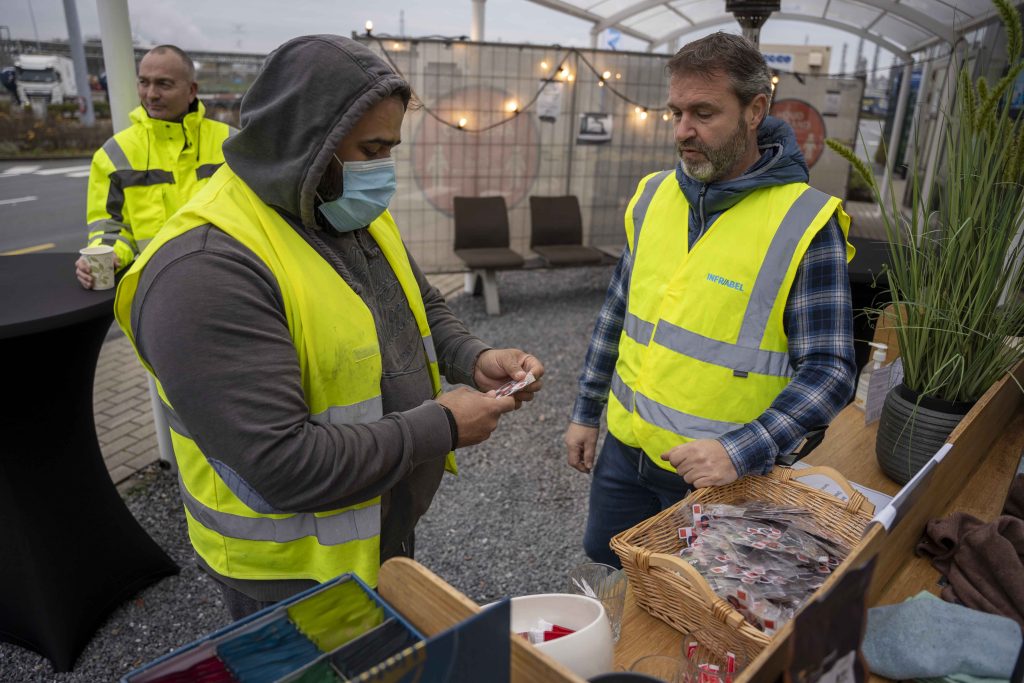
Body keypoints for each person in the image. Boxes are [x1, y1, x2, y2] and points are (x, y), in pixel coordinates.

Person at [113, 34, 545, 620]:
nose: (382, 171)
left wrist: (473, 355)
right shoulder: (205, 271)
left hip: (373, 528)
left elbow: (418, 306)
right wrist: (441, 423)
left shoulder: (337, 202)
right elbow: (282, 465)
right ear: (304, 142)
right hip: (291, 576)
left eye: (389, 148)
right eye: (371, 149)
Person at [564, 32, 856, 567]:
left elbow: (831, 371)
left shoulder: (802, 221)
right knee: (610, 564)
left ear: (755, 111)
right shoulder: (654, 196)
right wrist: (587, 412)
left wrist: (739, 449)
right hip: (625, 452)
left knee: (697, 611)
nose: (683, 132)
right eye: (675, 112)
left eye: (703, 113)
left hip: (722, 479)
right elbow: (616, 315)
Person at [75, 45, 234, 288]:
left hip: (228, 282)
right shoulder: (114, 153)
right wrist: (104, 254)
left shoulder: (232, 145)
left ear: (191, 91)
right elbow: (110, 227)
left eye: (163, 84)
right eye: (143, 82)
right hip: (155, 288)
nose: (150, 94)